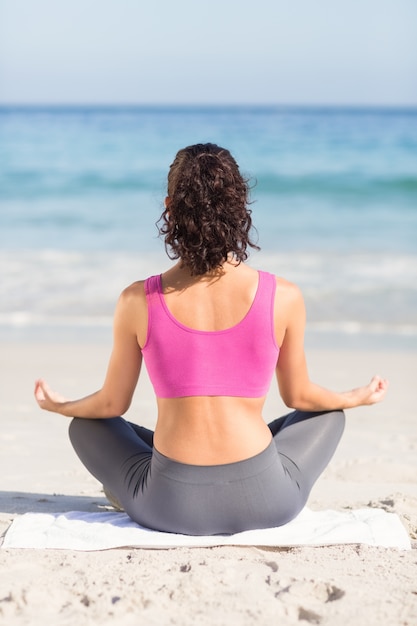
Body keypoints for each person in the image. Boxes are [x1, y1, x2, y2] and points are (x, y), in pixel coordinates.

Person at [34, 143, 388, 536]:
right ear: (239, 206)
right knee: (327, 414)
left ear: (170, 207)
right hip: (268, 501)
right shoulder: (283, 296)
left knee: (86, 426)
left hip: (168, 506)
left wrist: (61, 405)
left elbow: (111, 403)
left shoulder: (138, 299)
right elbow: (299, 398)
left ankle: (146, 478)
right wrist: (355, 397)